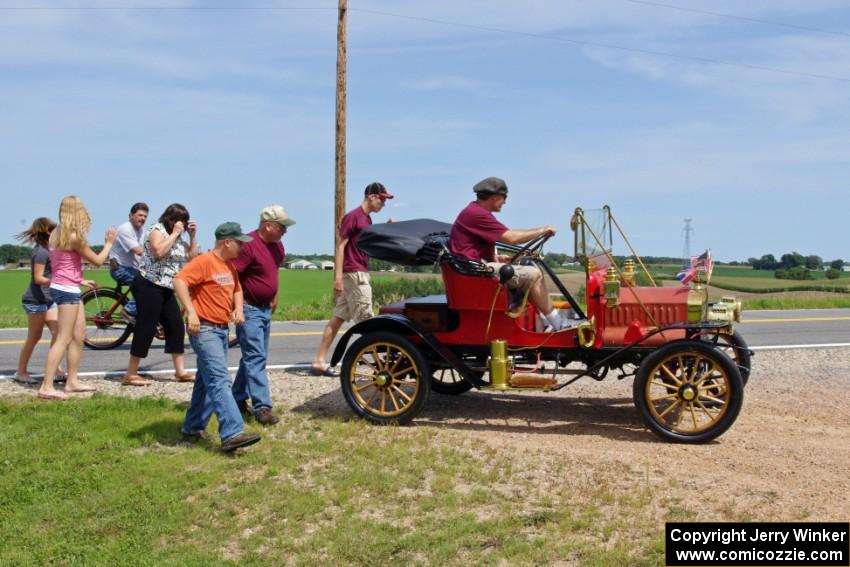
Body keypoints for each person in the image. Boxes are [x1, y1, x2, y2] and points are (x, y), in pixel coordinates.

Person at [449, 177, 578, 331]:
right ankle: (558, 324)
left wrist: (498, 259)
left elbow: (473, 247)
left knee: (528, 265)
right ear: (495, 197)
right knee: (534, 274)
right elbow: (511, 238)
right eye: (505, 197)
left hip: (476, 268)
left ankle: (546, 321)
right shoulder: (476, 214)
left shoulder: (475, 212)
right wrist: (542, 230)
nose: (505, 202)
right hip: (473, 272)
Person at [176, 222, 261, 452]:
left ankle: (192, 427)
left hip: (221, 330)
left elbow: (238, 290)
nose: (242, 248)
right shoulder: (204, 262)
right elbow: (180, 281)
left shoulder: (228, 266)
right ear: (227, 242)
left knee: (205, 381)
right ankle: (232, 433)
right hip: (204, 330)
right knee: (220, 380)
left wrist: (239, 309)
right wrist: (191, 311)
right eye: (239, 243)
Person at [38, 196, 117, 401]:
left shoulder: (56, 233)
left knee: (79, 335)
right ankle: (46, 386)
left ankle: (72, 381)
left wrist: (80, 279)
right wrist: (109, 243)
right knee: (64, 338)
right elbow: (98, 261)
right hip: (66, 291)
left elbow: (63, 264)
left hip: (67, 286)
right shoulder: (74, 237)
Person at [312, 182, 394, 375]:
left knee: (338, 318)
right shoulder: (353, 217)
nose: (383, 204)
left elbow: (372, 242)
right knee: (367, 320)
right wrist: (338, 277)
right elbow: (340, 246)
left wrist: (388, 229)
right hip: (354, 274)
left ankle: (318, 361)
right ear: (371, 196)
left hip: (357, 272)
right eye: (382, 199)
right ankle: (380, 367)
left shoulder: (367, 220)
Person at [231, 205, 294, 425]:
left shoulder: (277, 246)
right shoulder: (248, 245)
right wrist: (237, 306)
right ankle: (262, 407)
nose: (285, 231)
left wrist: (275, 295)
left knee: (252, 356)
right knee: (256, 357)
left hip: (265, 308)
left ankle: (236, 398)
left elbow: (274, 271)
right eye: (282, 226)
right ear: (268, 226)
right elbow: (233, 275)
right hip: (249, 308)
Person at [123, 203, 198, 386]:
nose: (181, 225)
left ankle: (180, 371)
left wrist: (192, 236)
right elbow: (158, 252)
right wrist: (174, 234)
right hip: (149, 284)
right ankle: (130, 374)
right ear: (170, 219)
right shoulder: (157, 230)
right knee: (146, 327)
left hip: (166, 286)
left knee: (176, 326)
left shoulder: (179, 238)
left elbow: (191, 257)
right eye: (180, 221)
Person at [14, 217, 66, 384]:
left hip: (49, 300)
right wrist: (58, 282)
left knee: (59, 334)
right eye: (54, 230)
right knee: (34, 336)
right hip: (35, 301)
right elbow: (38, 278)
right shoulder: (41, 252)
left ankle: (55, 369)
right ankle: (20, 372)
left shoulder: (49, 249)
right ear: (47, 232)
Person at [108, 202, 149, 322]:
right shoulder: (125, 229)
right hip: (120, 269)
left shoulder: (142, 231)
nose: (142, 219)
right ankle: (128, 311)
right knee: (146, 286)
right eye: (140, 215)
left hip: (132, 269)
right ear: (131, 215)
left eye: (145, 216)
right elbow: (138, 250)